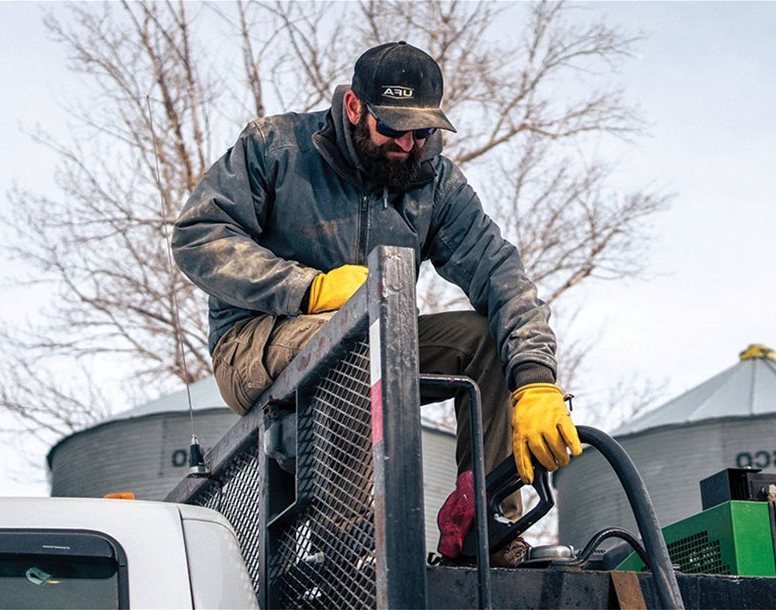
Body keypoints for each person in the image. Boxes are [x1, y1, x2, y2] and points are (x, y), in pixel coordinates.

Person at [172, 41, 581, 567]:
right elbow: (198, 236)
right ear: (353, 108)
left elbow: (500, 274)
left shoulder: (435, 183)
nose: (408, 144)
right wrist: (307, 290)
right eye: (392, 128)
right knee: (357, 336)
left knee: (484, 340)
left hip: (381, 341)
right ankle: (348, 545)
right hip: (255, 342)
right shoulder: (277, 147)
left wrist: (534, 376)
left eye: (423, 131)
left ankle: (486, 529)